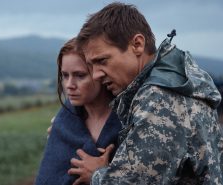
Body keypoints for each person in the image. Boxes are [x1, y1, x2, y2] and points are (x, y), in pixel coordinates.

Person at [74, 2, 223, 184]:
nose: (95, 75)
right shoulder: (171, 82)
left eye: (102, 61)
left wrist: (96, 174)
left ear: (137, 44)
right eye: (91, 65)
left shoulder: (161, 98)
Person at [35, 38, 122, 185]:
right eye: (65, 75)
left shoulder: (128, 122)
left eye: (80, 75)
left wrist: (103, 176)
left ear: (99, 74)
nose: (69, 85)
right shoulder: (63, 124)